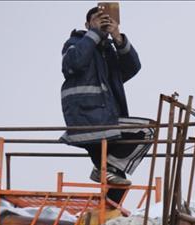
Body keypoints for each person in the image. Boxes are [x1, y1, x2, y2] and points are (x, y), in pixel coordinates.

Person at [60, 6, 152, 203]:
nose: (102, 22)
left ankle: (103, 215)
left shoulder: (107, 51)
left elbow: (132, 68)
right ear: (87, 24)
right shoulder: (75, 42)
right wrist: (94, 34)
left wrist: (117, 37)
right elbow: (72, 64)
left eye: (106, 20)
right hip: (87, 120)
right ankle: (103, 170)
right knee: (146, 131)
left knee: (118, 182)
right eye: (97, 19)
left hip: (106, 121)